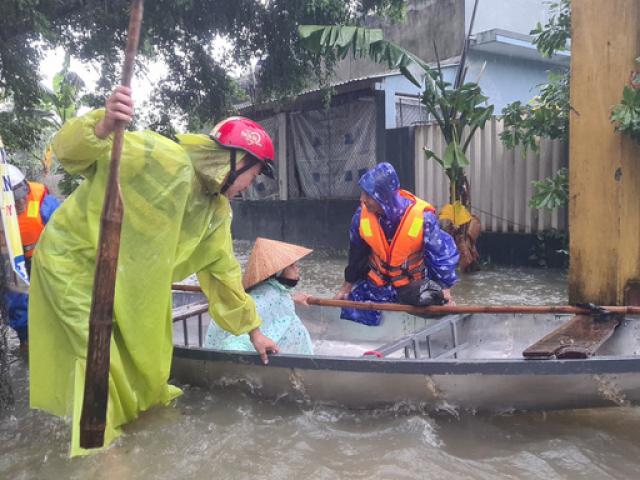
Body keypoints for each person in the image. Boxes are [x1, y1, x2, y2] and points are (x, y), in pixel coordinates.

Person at [28, 85, 280, 456]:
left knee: (150, 360)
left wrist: (254, 332)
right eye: (252, 176)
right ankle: (102, 452)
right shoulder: (163, 157)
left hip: (128, 283)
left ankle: (137, 429)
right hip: (75, 262)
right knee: (97, 356)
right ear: (235, 160)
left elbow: (224, 274)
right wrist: (101, 128)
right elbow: (72, 155)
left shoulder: (217, 213)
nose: (248, 187)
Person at [334, 162, 459, 326]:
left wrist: (445, 290)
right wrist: (346, 287)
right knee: (352, 307)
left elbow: (440, 256)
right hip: (377, 288)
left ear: (383, 196)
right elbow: (357, 255)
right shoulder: (360, 217)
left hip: (413, 287)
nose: (362, 199)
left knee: (432, 301)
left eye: (368, 194)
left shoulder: (423, 219)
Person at [204, 237, 314, 355]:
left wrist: (292, 299)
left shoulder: (273, 292)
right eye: (292, 266)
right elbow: (235, 341)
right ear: (279, 271)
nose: (297, 270)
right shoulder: (269, 295)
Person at [3, 164, 60, 351]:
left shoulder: (44, 203)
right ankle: (25, 340)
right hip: (13, 261)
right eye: (14, 202)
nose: (20, 205)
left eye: (21, 199)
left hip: (43, 259)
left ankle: (54, 337)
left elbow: (64, 232)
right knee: (17, 300)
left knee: (52, 297)